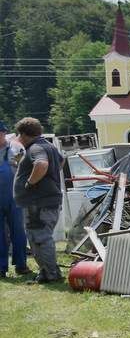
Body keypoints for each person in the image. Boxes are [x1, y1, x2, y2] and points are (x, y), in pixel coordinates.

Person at [13, 117, 64, 283]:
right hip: (45, 201)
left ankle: (51, 274)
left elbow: (41, 165)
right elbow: (61, 162)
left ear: (23, 134)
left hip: (39, 203)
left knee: (40, 238)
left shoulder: (35, 148)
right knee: (38, 238)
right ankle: (46, 271)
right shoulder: (49, 146)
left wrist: (29, 183)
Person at [0, 121, 30, 277]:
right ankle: (1, 267)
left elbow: (25, 170)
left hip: (15, 197)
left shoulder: (16, 149)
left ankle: (21, 265)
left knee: (18, 231)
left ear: (4, 133)